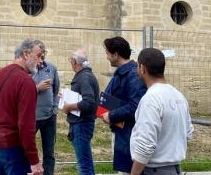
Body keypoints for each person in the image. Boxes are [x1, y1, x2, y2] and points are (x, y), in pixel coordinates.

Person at [0, 38, 45, 175]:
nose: (41, 61)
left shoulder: (1, 73)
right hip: (11, 146)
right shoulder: (26, 82)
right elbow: (26, 126)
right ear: (25, 54)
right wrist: (34, 161)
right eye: (39, 56)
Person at [130, 48, 194, 175]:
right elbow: (188, 133)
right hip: (174, 168)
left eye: (137, 66)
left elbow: (145, 145)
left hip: (154, 170)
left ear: (142, 68)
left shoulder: (151, 99)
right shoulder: (179, 96)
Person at [101, 37, 147, 175]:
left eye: (108, 53)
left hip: (130, 135)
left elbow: (136, 106)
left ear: (115, 55)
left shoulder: (133, 75)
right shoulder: (121, 73)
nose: (107, 57)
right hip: (121, 132)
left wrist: (111, 115)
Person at [61, 49, 100, 175]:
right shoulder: (86, 75)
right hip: (82, 124)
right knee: (85, 163)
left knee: (84, 166)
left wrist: (69, 107)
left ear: (75, 62)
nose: (70, 63)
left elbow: (88, 102)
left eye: (71, 60)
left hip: (81, 125)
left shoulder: (84, 77)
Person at [32, 40, 59, 175]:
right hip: (32, 117)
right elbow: (23, 91)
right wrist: (37, 88)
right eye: (39, 55)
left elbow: (56, 91)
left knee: (49, 151)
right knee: (28, 149)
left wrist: (54, 110)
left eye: (44, 54)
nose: (42, 58)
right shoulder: (28, 70)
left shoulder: (51, 68)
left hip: (49, 117)